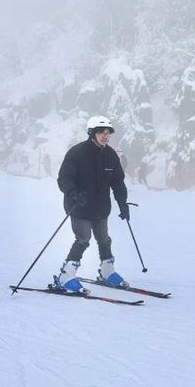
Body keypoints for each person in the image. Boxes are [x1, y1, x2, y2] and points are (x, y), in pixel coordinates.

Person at [53, 115, 130, 292]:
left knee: (104, 239)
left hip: (101, 207)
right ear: (92, 133)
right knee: (83, 240)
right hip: (79, 207)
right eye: (101, 132)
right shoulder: (77, 153)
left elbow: (118, 182)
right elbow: (64, 178)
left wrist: (123, 204)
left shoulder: (110, 155)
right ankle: (65, 277)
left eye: (107, 133)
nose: (105, 136)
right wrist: (73, 193)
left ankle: (108, 272)